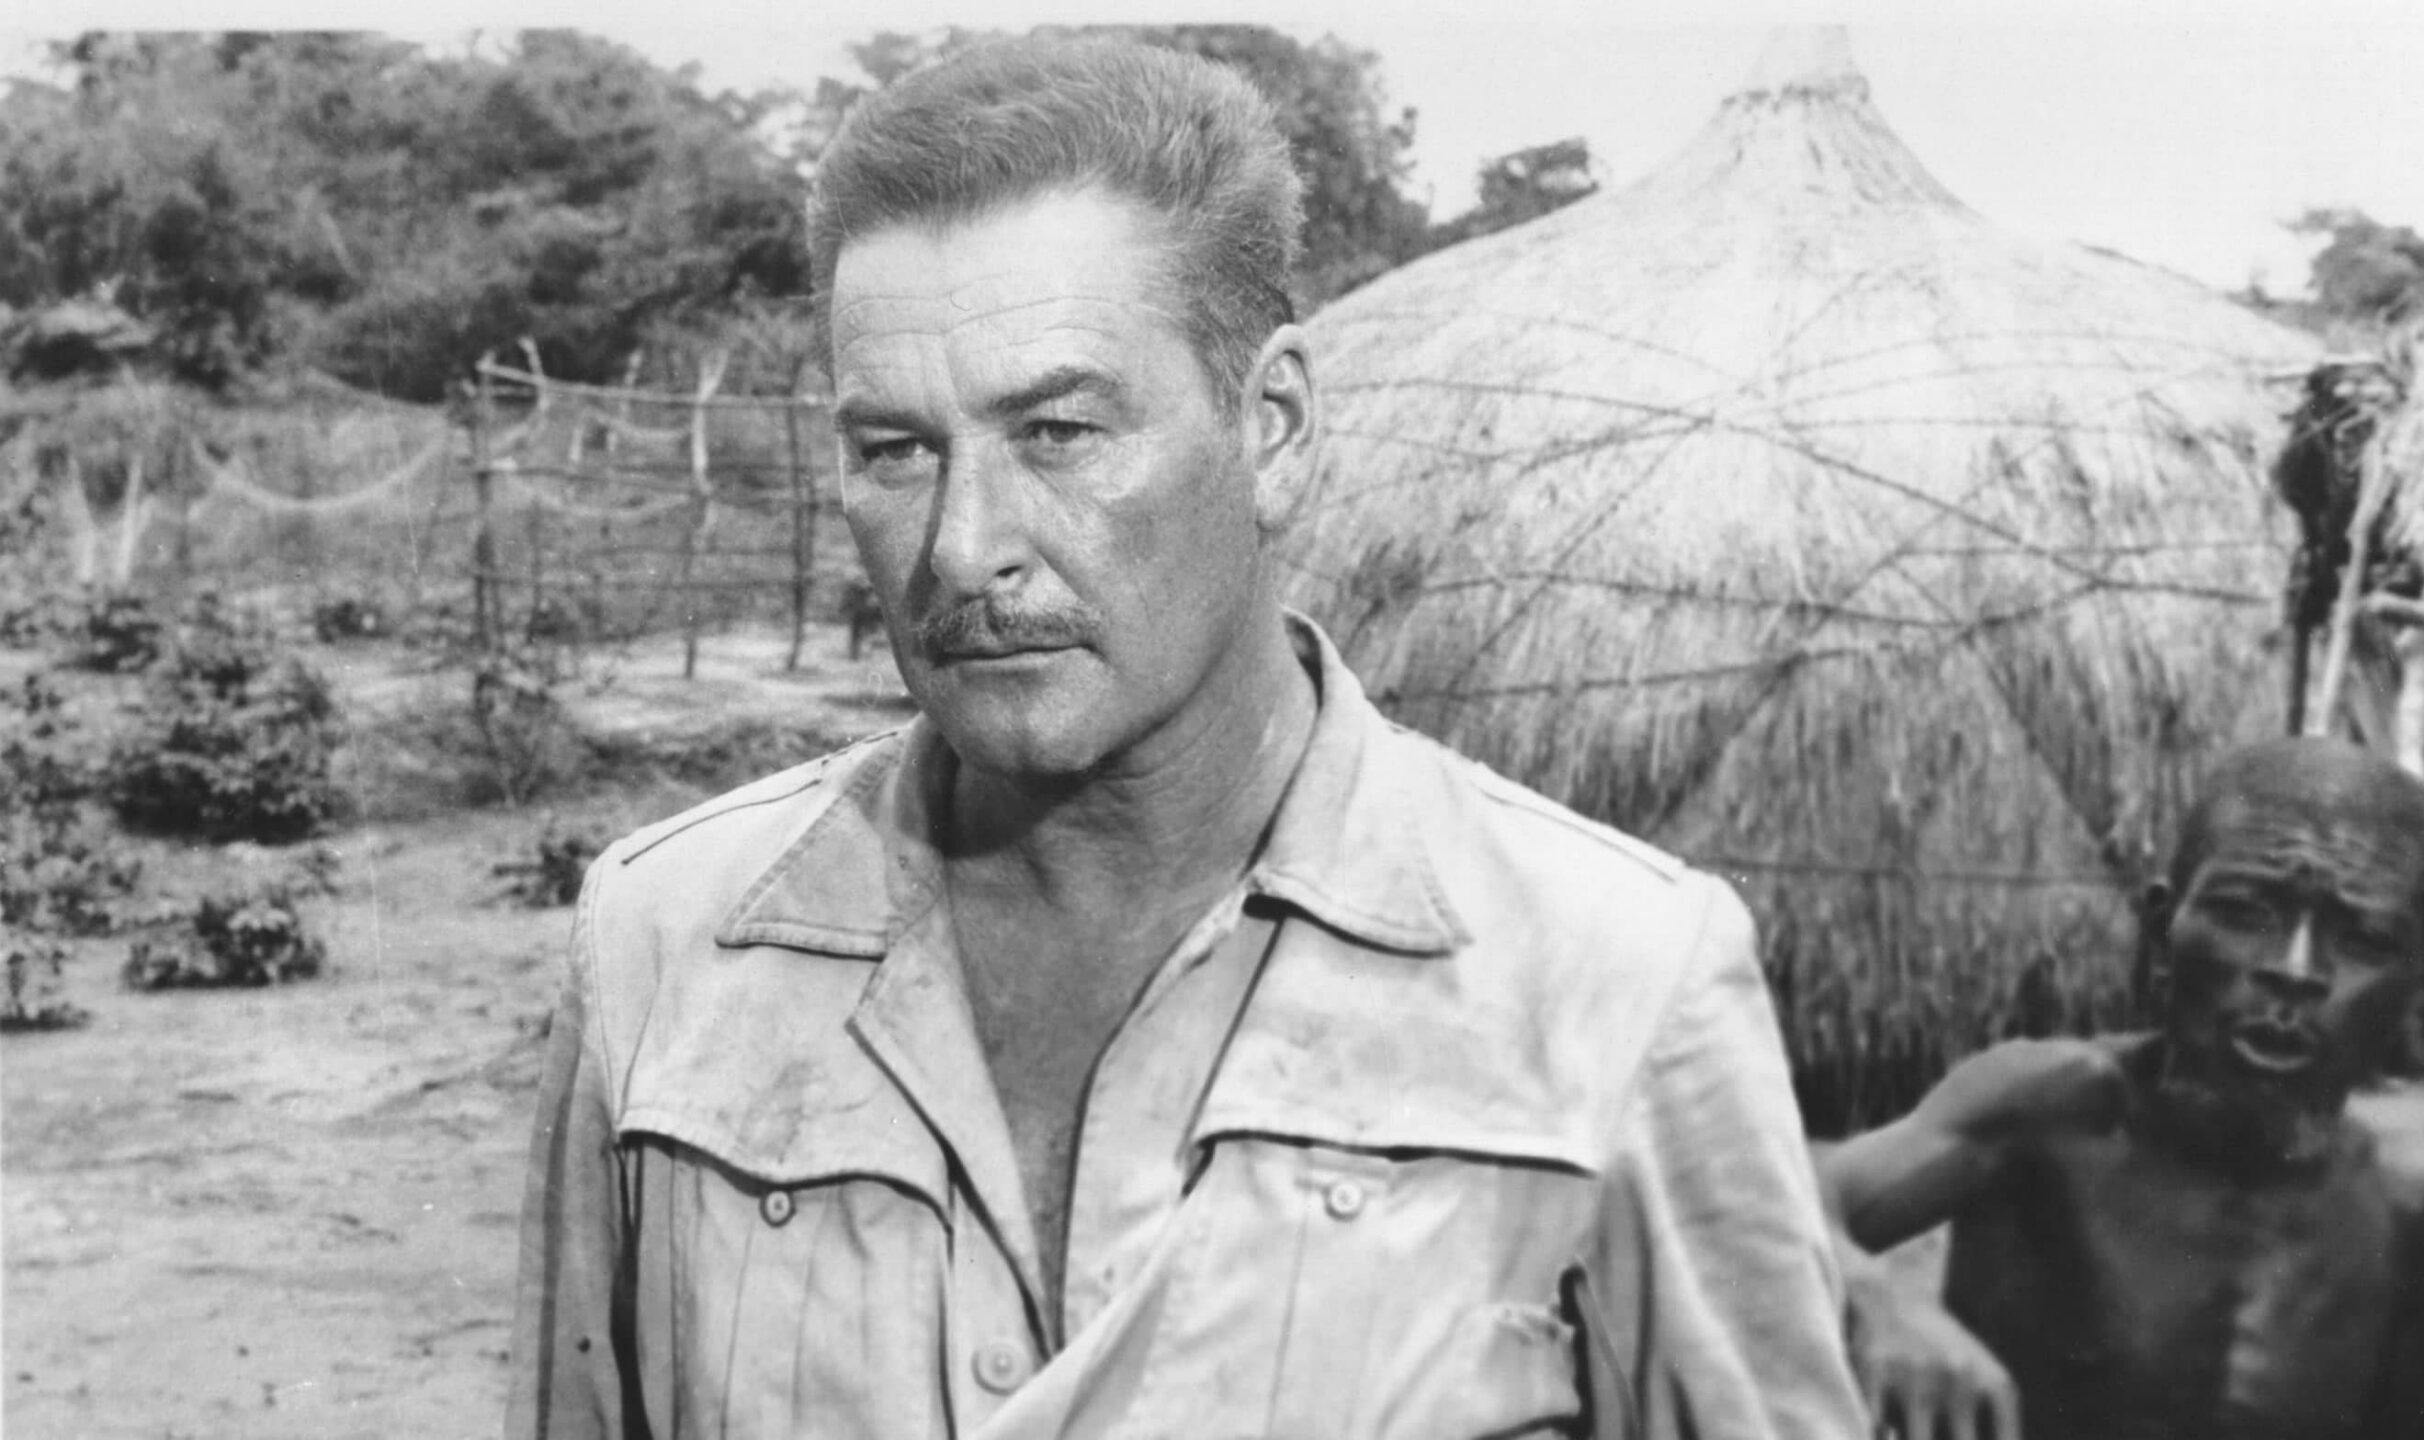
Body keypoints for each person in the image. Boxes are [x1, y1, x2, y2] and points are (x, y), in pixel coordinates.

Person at [503, 37, 1865, 1440]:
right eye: (894, 451)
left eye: (1059, 431)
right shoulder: (666, 944)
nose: (963, 549)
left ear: (1272, 428)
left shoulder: (1613, 983)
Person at [1820, 736, 2424, 1440]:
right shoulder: (2051, 1107)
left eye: (2363, 940)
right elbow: (1787, 1196)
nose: (2295, 972)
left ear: (2420, 989)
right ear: (2165, 930)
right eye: (2246, 913)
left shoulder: (2416, 1206)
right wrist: (1878, 1304)